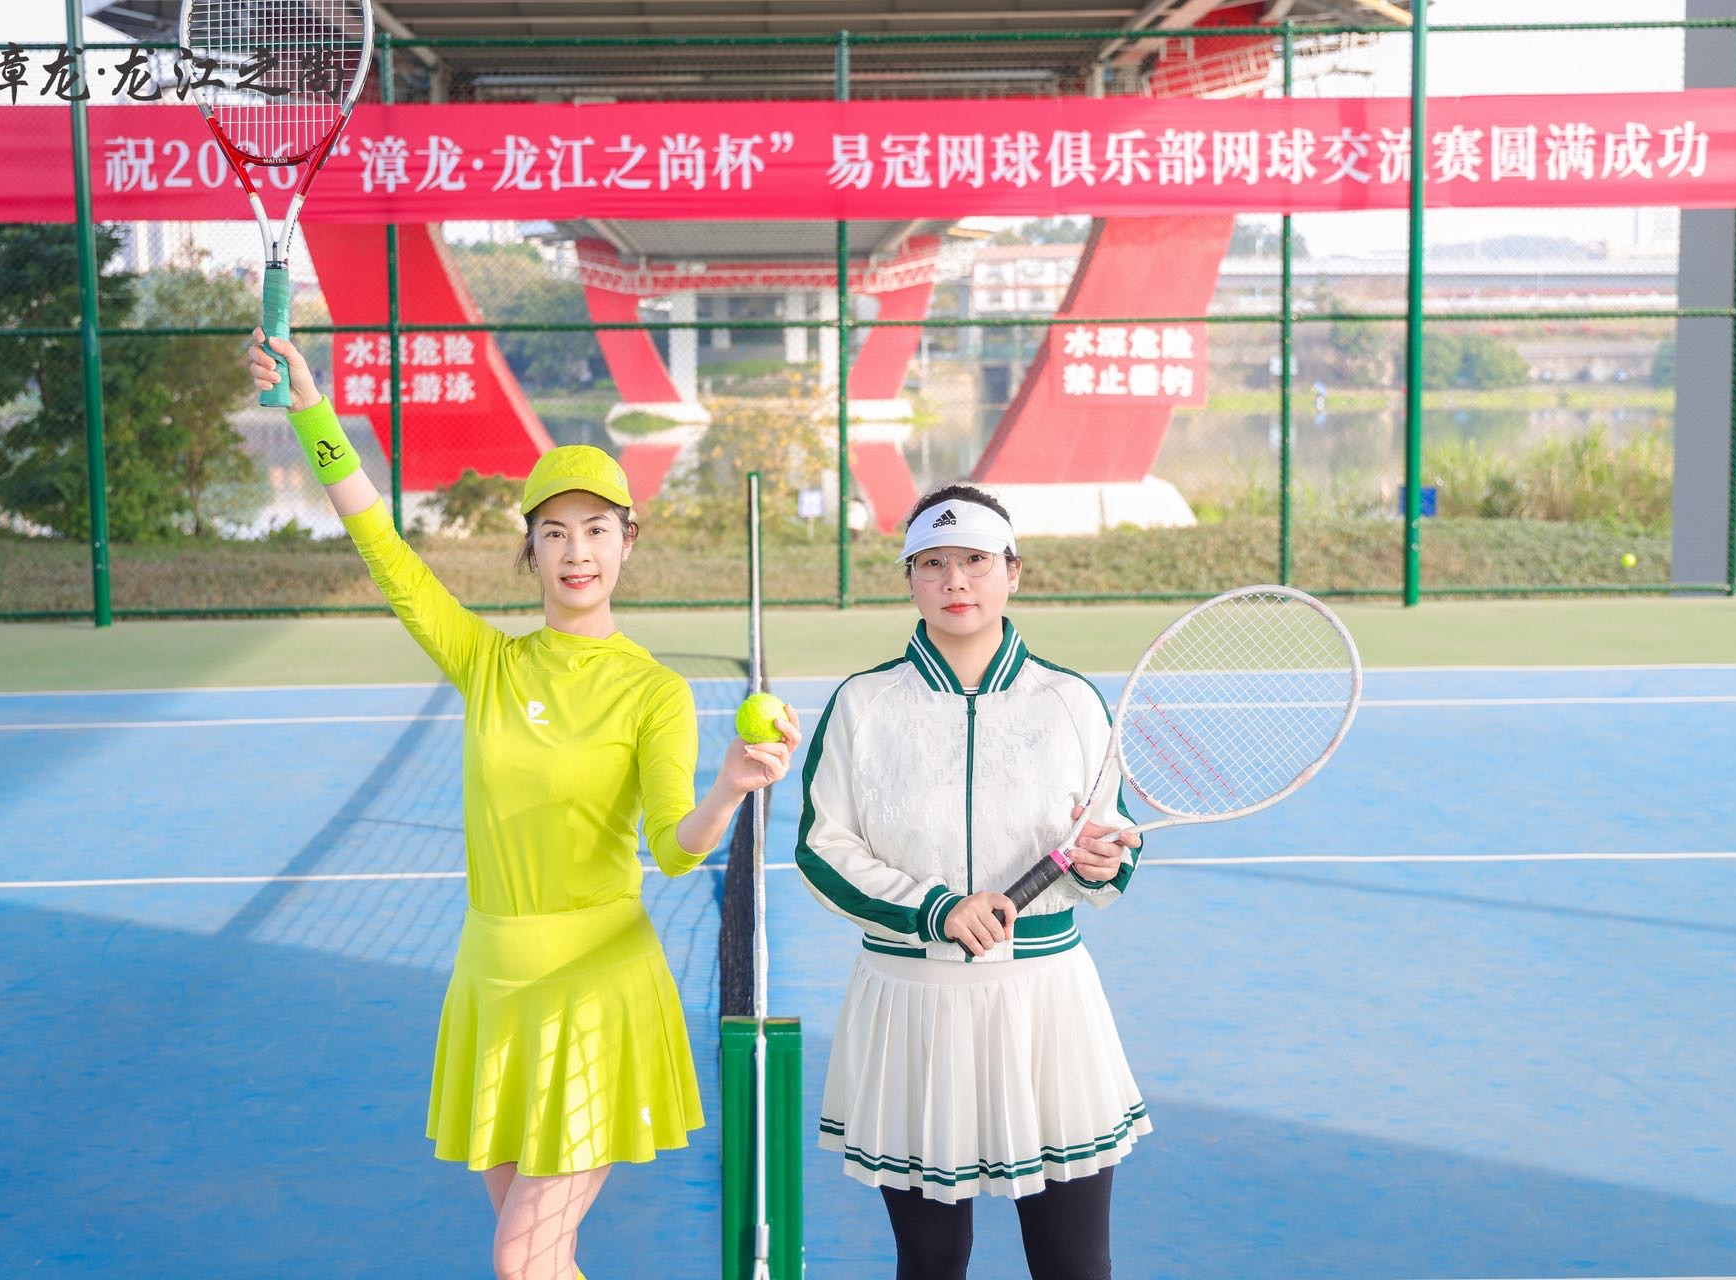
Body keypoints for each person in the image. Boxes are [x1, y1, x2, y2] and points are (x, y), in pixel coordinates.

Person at [247, 332, 800, 1280]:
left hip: (597, 988)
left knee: (520, 1258)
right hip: (493, 983)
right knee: (543, 1262)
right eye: (555, 532)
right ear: (531, 550)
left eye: (597, 529)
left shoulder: (655, 692)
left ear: (627, 540)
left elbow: (675, 850)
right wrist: (311, 413)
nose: (576, 551)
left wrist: (728, 790)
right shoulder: (486, 663)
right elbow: (381, 546)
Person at [794, 483, 1148, 1280]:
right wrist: (936, 909)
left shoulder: (1070, 701)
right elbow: (822, 848)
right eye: (932, 563)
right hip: (911, 1003)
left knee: (1073, 1264)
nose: (955, 581)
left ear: (1012, 572)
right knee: (929, 1262)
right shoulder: (861, 703)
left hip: (1044, 1004)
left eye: (975, 561)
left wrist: (1106, 863)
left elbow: (1110, 839)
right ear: (909, 579)